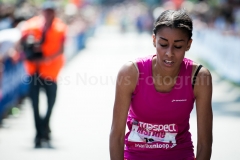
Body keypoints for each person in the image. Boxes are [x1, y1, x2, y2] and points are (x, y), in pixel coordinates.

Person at [109, 9, 213, 160]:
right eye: (163, 44)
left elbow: (205, 143)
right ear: (153, 40)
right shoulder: (131, 72)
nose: (169, 53)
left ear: (189, 44)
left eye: (177, 46)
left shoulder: (199, 77)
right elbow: (116, 135)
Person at [18, 1, 67, 148]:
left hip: (51, 72)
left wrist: (47, 58)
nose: (48, 13)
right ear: (42, 11)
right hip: (33, 72)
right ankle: (39, 133)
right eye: (46, 11)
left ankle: (44, 125)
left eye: (51, 11)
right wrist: (29, 49)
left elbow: (61, 48)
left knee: (51, 103)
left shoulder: (60, 28)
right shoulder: (30, 25)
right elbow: (22, 44)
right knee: (34, 104)